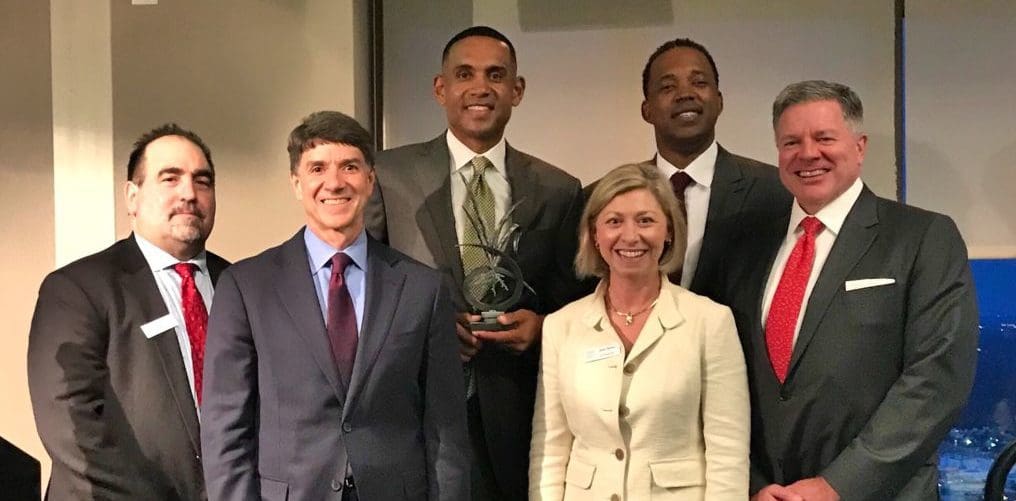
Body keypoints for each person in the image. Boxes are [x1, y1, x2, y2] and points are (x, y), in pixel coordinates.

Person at [709, 80, 979, 501]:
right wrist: (753, 485)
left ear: (859, 146)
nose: (807, 154)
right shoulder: (746, 246)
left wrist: (837, 486)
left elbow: (936, 379)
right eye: (791, 142)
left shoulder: (922, 237)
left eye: (824, 138)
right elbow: (723, 375)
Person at [200, 111, 469, 501]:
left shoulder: (423, 289)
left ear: (370, 180)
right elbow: (225, 429)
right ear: (296, 183)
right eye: (317, 168)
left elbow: (446, 431)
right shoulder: (246, 287)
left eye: (350, 167)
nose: (335, 182)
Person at [366, 26, 585, 500]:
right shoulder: (388, 174)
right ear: (440, 88)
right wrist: (425, 329)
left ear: (517, 90)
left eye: (495, 75)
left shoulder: (560, 189)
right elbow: (367, 284)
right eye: (464, 74)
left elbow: (575, 301)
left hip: (516, 411)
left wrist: (542, 327)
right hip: (416, 408)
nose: (480, 87)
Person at [28, 124, 226, 500]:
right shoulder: (76, 289)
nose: (189, 193)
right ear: (132, 197)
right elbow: (72, 426)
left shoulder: (240, 285)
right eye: (170, 178)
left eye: (203, 181)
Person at [530, 163, 749, 500]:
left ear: (669, 231)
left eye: (645, 220)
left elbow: (728, 453)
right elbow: (550, 449)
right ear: (595, 233)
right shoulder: (561, 326)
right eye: (614, 221)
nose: (630, 236)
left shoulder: (710, 321)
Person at [589, 38, 790, 295]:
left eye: (699, 83)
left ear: (719, 101)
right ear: (646, 110)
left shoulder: (774, 191)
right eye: (668, 87)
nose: (685, 94)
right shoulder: (600, 199)